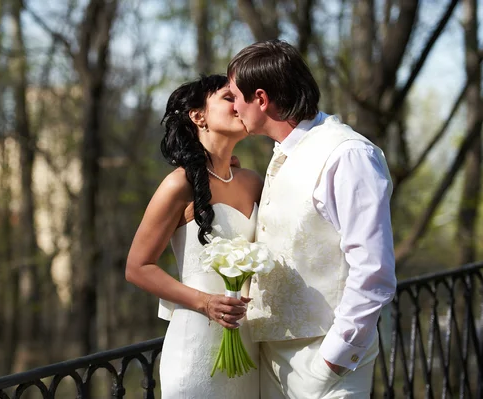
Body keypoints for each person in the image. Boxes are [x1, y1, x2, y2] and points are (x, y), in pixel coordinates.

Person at [227, 39, 397, 398]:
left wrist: (332, 361)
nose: (233, 107)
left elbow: (373, 271)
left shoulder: (348, 154)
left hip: (327, 358)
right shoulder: (283, 153)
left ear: (260, 98)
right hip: (272, 358)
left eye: (235, 96)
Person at [125, 74, 263, 398]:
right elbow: (137, 267)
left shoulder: (254, 181)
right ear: (198, 116)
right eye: (229, 98)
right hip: (196, 347)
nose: (240, 104)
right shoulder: (178, 185)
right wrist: (205, 303)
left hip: (248, 349)